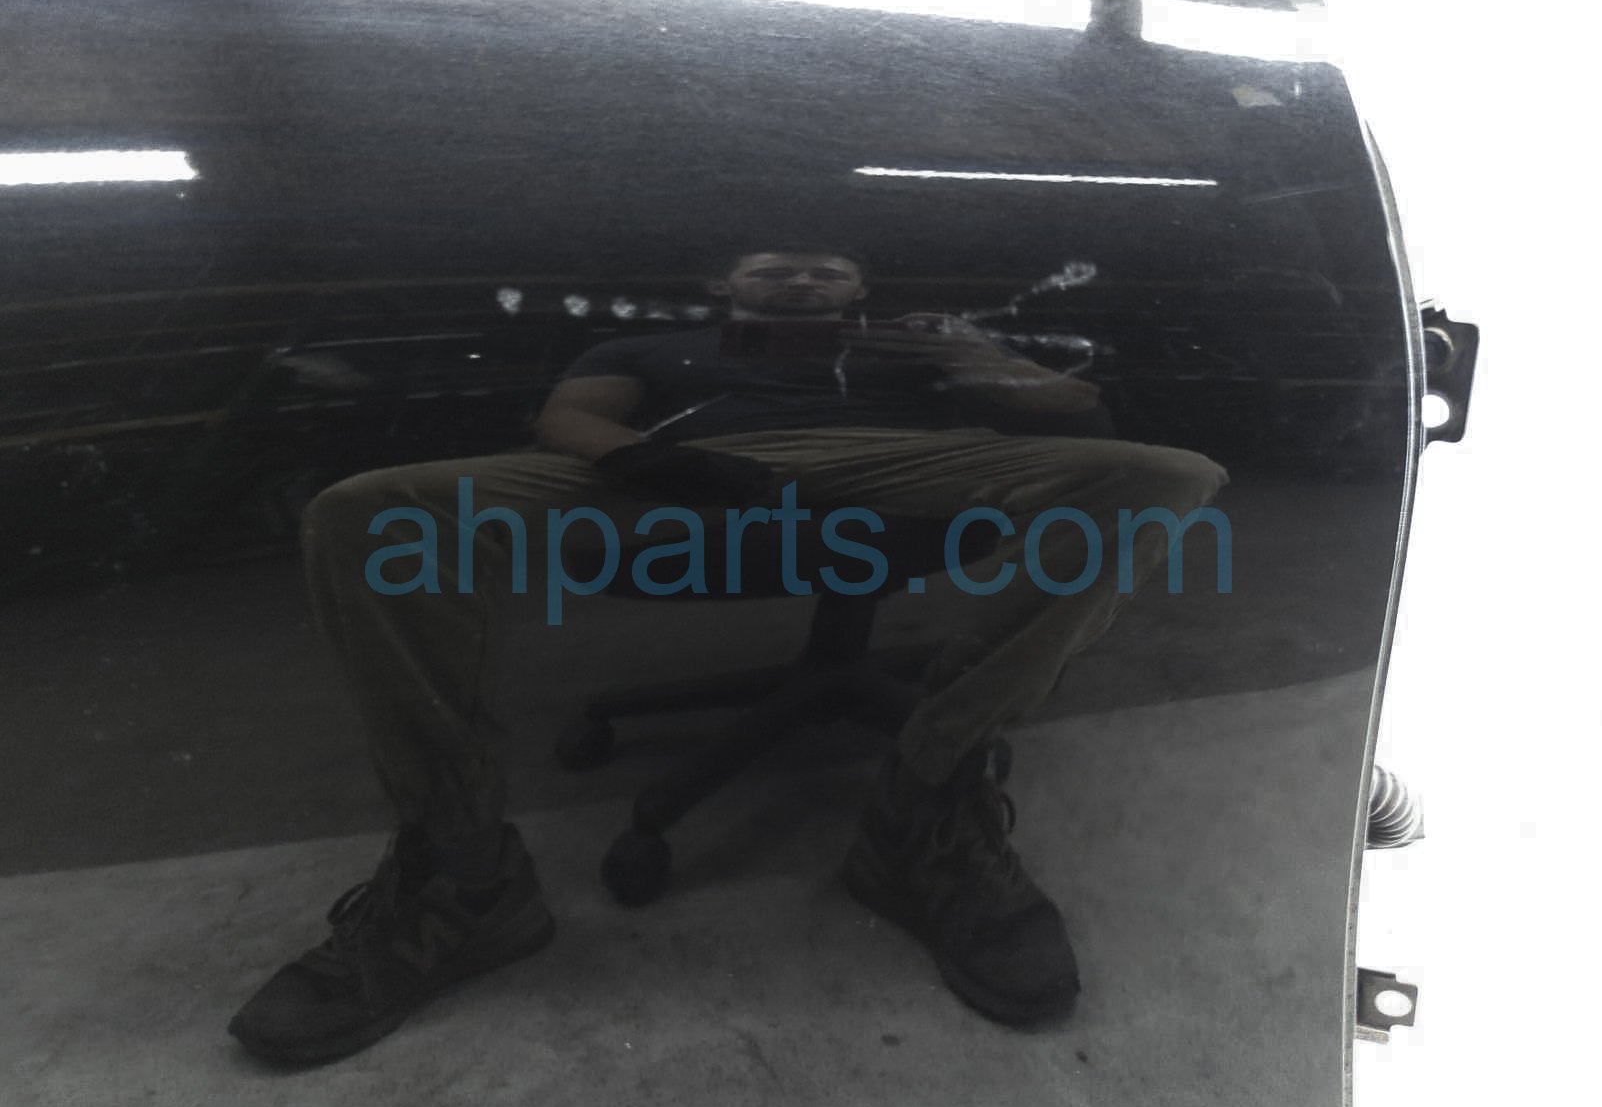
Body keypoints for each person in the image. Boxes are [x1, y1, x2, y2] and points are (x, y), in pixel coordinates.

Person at [228, 247, 1228, 1063]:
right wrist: (648, 459)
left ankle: (927, 799)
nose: (800, 280)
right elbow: (565, 417)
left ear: (860, 286)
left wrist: (973, 354)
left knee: (1171, 475)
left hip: (898, 461)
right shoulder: (654, 346)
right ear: (725, 285)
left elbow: (1075, 415)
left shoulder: (914, 347)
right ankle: (461, 873)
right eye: (772, 268)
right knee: (370, 510)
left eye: (824, 269)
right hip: (680, 464)